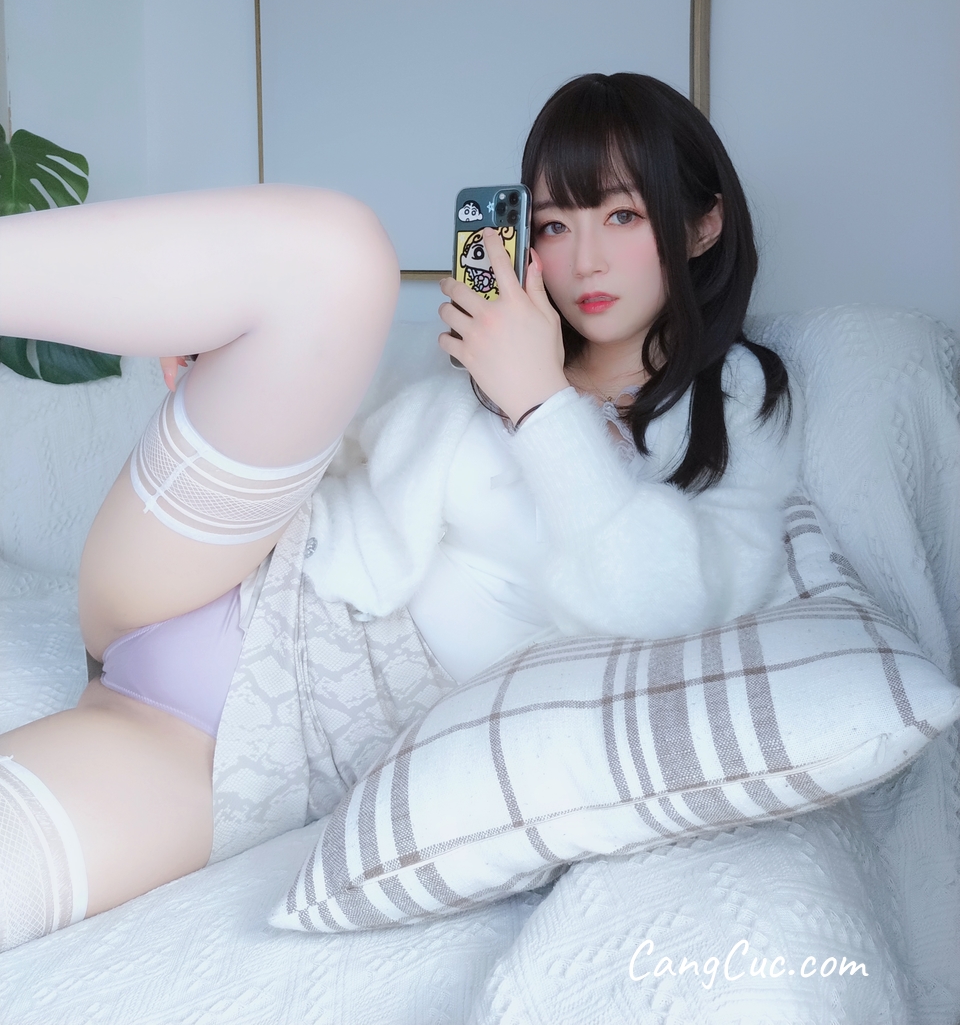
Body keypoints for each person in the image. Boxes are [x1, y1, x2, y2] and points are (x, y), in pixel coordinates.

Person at [0, 72, 800, 954]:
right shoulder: (483, 346)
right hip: (214, 567)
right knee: (342, 253)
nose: (585, 262)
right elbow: (345, 443)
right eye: (553, 224)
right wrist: (237, 378)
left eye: (622, 216)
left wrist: (540, 403)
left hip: (243, 753)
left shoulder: (734, 402)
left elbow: (670, 606)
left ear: (702, 224)